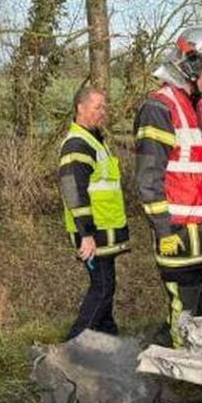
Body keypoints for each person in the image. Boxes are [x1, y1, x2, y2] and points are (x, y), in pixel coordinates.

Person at [134, 25, 202, 347]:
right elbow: (149, 179)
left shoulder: (197, 105)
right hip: (177, 236)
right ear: (192, 64)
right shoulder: (159, 108)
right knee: (184, 312)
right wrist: (163, 230)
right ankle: (181, 368)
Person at [59, 86, 129, 340]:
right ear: (80, 107)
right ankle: (73, 345)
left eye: (104, 107)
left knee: (105, 287)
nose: (103, 112)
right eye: (97, 107)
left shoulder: (95, 140)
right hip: (92, 235)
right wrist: (86, 235)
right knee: (102, 288)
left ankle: (108, 337)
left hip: (104, 230)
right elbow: (73, 192)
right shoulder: (77, 144)